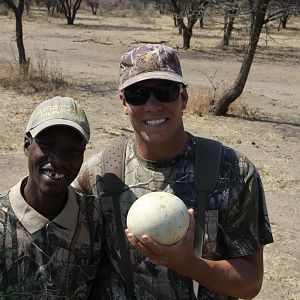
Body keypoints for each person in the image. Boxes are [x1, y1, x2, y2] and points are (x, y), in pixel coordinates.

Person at [73, 44, 273, 299]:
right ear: (123, 102)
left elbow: (250, 283)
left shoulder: (233, 172)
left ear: (184, 97)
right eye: (138, 93)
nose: (153, 105)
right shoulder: (100, 174)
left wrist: (190, 264)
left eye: (165, 91)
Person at [0, 96, 104, 299]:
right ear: (26, 145)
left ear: (83, 153)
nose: (57, 160)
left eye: (72, 151)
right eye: (47, 146)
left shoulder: (95, 219)